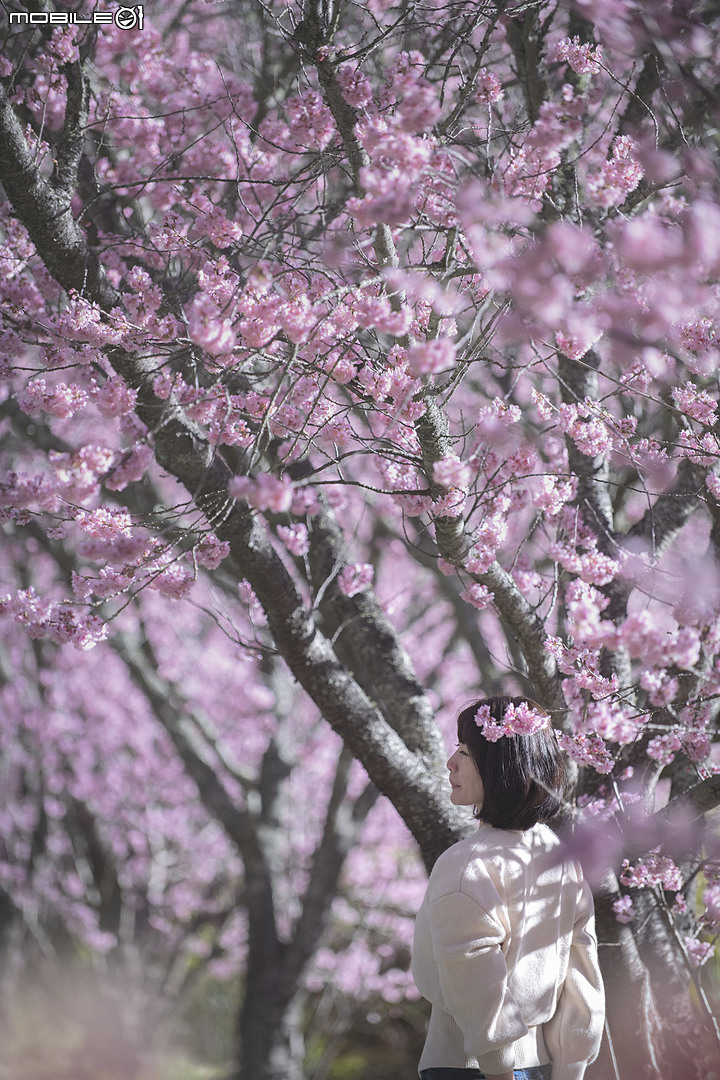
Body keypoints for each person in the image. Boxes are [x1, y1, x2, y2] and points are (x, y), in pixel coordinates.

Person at [412, 695, 605, 1080]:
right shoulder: (559, 857)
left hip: (470, 1068)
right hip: (541, 1066)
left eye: (465, 751)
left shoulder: (467, 864)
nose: (451, 762)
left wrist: (498, 1071)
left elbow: (474, 981)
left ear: (502, 766)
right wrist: (571, 1070)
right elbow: (583, 981)